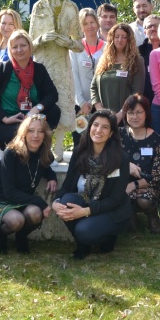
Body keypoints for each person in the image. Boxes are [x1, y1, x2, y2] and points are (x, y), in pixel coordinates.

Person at [52, 110, 131, 259]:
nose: (98, 130)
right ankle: (83, 244)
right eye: (95, 125)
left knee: (84, 231)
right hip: (87, 201)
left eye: (105, 127)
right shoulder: (79, 152)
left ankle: (106, 237)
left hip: (112, 210)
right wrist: (55, 202)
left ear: (111, 133)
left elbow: (116, 199)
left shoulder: (120, 159)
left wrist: (85, 211)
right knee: (65, 202)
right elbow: (68, 185)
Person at [29, 0, 84, 160]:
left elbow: (80, 44)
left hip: (61, 64)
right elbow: (30, 44)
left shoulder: (71, 7)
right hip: (42, 64)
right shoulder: (39, 6)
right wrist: (42, 39)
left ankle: (58, 146)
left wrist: (68, 42)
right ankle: (41, 147)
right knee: (42, 103)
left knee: (62, 102)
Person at [0, 115, 58, 254]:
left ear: (45, 135)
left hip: (23, 201)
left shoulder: (44, 154)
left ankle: (21, 237)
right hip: (2, 201)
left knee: (36, 213)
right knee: (16, 221)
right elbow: (9, 192)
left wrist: (52, 177)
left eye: (40, 131)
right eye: (31, 131)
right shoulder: (11, 154)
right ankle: (0, 235)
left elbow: (45, 167)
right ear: (24, 134)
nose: (35, 135)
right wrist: (39, 201)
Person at [0, 30, 61, 149]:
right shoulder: (2, 69)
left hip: (33, 120)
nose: (19, 50)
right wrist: (5, 118)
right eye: (15, 47)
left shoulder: (39, 69)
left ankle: (41, 151)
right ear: (10, 50)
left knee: (54, 111)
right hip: (8, 123)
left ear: (30, 47)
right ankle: (9, 149)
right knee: (23, 132)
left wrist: (36, 109)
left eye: (23, 45)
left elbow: (52, 94)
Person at [119, 94, 160, 233]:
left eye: (139, 112)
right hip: (122, 185)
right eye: (131, 113)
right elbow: (110, 163)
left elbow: (157, 176)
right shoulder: (118, 135)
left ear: (147, 113)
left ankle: (152, 216)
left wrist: (133, 185)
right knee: (129, 228)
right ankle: (130, 215)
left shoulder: (156, 140)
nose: (135, 116)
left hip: (151, 186)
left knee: (144, 200)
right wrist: (126, 166)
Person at [90, 23, 145, 124]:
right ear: (112, 38)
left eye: (124, 37)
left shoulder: (137, 61)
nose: (120, 40)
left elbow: (136, 92)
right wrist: (100, 110)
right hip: (103, 117)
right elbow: (93, 87)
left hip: (126, 117)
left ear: (129, 39)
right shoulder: (103, 59)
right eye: (117, 36)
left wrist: (120, 114)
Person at [70, 7, 105, 126]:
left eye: (92, 22)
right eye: (85, 23)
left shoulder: (107, 48)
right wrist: (81, 102)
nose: (89, 26)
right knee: (80, 140)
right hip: (80, 105)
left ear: (97, 23)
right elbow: (73, 75)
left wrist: (92, 102)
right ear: (80, 27)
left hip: (100, 103)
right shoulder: (75, 48)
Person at [137, 15, 160, 106]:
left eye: (156, 26)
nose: (152, 28)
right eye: (149, 26)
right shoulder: (137, 52)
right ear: (144, 31)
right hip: (143, 101)